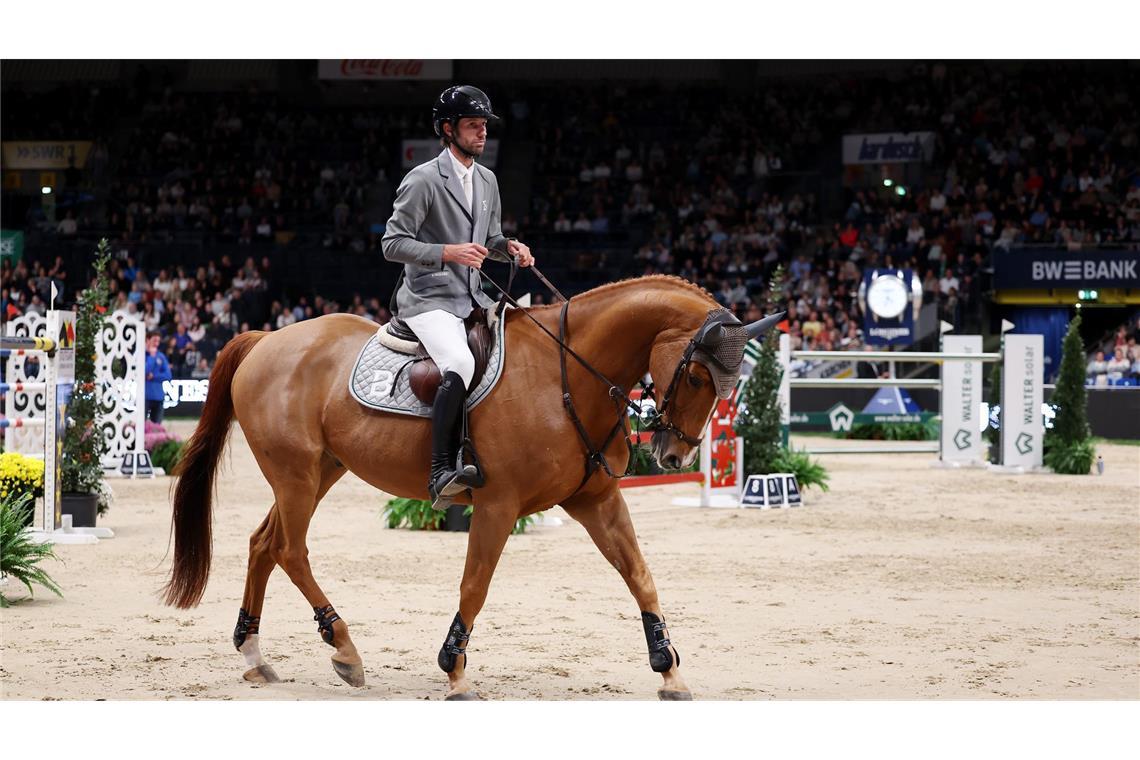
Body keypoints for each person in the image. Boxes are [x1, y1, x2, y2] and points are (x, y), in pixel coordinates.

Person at [381, 85, 535, 510]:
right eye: (473, 126)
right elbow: (392, 244)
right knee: (461, 363)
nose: (482, 133)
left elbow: (490, 238)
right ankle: (441, 469)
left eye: (484, 126)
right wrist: (447, 253)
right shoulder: (423, 179)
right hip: (427, 298)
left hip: (470, 296)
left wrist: (511, 248)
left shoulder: (487, 179)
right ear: (447, 129)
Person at [144, 330, 172, 423]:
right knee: (141, 426)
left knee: (157, 427)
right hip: (145, 396)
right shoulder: (141, 355)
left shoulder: (161, 356)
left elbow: (168, 375)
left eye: (158, 341)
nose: (156, 344)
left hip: (158, 396)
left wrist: (154, 376)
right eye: (154, 340)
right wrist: (151, 357)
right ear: (147, 340)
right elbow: (144, 371)